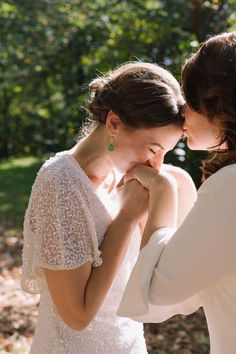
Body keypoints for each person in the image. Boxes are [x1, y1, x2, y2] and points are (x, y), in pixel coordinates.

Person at [21, 62, 197, 354]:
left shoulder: (129, 177)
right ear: (114, 123)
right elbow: (77, 316)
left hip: (129, 344)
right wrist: (126, 219)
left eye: (165, 151)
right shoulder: (61, 183)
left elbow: (154, 283)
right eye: (153, 149)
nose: (157, 164)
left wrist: (167, 190)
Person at [118, 32, 236, 354]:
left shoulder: (230, 186)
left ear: (216, 104)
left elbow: (156, 293)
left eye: (189, 97)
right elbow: (188, 292)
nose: (182, 110)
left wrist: (162, 191)